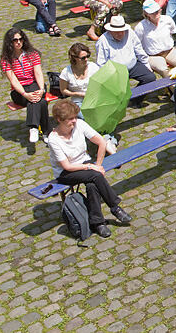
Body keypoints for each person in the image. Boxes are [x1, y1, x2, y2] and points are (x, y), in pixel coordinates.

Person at [47, 100, 132, 238]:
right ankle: (115, 207)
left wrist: (98, 165)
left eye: (75, 117)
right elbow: (67, 166)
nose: (74, 121)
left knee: (93, 184)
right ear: (59, 120)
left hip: (85, 165)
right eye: (70, 119)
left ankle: (98, 223)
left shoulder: (79, 124)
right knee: (95, 176)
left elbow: (101, 142)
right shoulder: (53, 139)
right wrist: (91, 167)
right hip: (66, 172)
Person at [0, 28, 48, 143]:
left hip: (35, 85)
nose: (18, 42)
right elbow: (13, 80)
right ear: (10, 42)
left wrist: (41, 89)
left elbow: (38, 73)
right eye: (15, 40)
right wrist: (25, 94)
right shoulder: (6, 59)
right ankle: (45, 132)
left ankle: (34, 127)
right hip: (19, 90)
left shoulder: (32, 54)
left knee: (38, 97)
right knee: (40, 101)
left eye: (20, 39)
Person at [95, 16, 156, 86]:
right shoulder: (102, 41)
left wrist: (146, 63)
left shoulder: (130, 33)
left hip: (133, 66)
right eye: (117, 32)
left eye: (122, 31)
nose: (120, 34)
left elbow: (138, 49)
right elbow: (101, 62)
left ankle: (137, 96)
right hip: (115, 71)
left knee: (150, 78)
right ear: (110, 31)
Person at [135, 0, 176, 76]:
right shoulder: (140, 27)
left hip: (170, 51)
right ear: (146, 14)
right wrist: (144, 61)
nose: (156, 13)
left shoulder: (167, 20)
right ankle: (172, 88)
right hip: (154, 56)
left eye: (157, 11)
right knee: (164, 71)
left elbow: (173, 31)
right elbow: (137, 45)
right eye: (152, 12)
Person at [59, 42, 101, 111]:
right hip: (78, 101)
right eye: (83, 58)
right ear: (74, 58)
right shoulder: (66, 72)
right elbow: (63, 90)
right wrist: (77, 94)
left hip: (95, 98)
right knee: (84, 115)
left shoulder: (93, 67)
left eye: (87, 56)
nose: (86, 59)